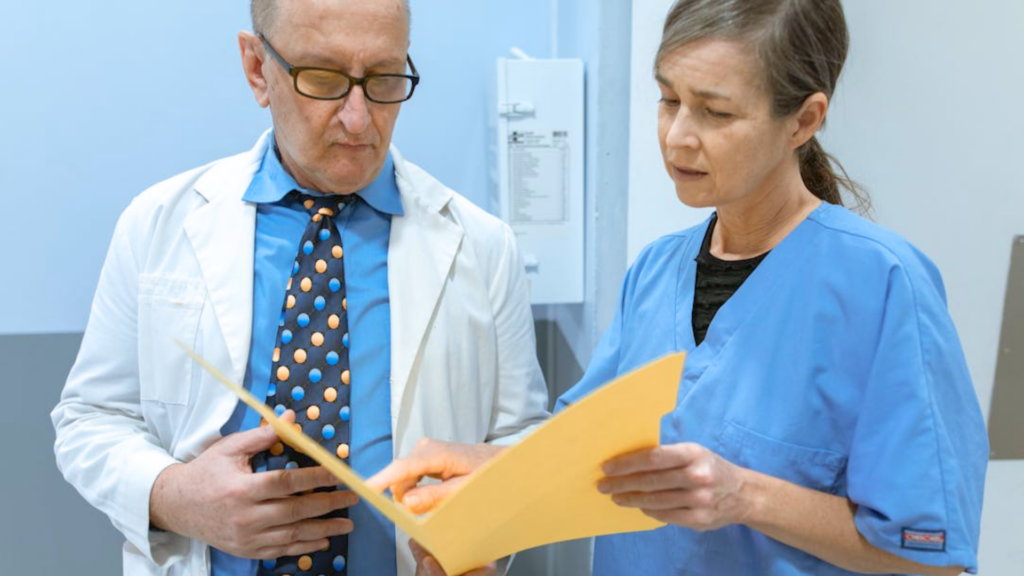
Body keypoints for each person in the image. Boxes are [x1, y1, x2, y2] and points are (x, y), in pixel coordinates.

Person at [367, 1, 988, 575]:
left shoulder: (882, 284)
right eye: (668, 101)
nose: (677, 137)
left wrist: (745, 495)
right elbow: (577, 461)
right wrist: (475, 481)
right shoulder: (655, 273)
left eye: (716, 112)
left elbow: (932, 558)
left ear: (804, 120)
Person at [50, 1, 550, 576]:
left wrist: (486, 530)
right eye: (324, 79)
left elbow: (518, 442)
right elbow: (91, 417)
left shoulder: (484, 246)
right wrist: (174, 495)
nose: (359, 119)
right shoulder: (157, 223)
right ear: (258, 68)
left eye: (385, 78)